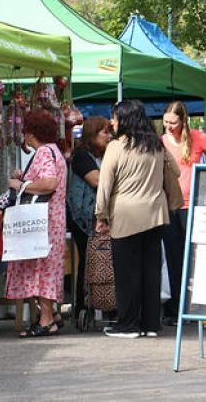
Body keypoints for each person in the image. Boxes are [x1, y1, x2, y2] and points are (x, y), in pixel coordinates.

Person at [95, 100, 175, 338]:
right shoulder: (156, 145)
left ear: (126, 120)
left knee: (127, 272)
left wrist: (101, 215)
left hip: (126, 215)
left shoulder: (116, 147)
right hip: (156, 214)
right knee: (151, 271)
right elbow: (176, 172)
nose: (112, 122)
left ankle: (128, 324)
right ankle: (151, 324)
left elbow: (105, 184)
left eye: (115, 118)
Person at [161, 101, 206, 322]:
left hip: (193, 205)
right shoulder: (160, 141)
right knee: (174, 258)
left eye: (173, 122)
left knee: (195, 258)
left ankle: (197, 306)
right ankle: (175, 310)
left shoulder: (198, 137)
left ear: (183, 121)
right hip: (170, 205)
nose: (169, 126)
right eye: (165, 122)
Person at [6, 109, 68, 338]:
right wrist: (26, 179)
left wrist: (19, 185)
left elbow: (49, 182)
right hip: (54, 218)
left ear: (31, 133)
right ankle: (52, 314)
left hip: (44, 220)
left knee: (41, 267)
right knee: (47, 266)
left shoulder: (43, 152)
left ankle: (46, 320)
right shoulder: (54, 151)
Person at [66, 115, 111, 318]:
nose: (108, 136)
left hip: (98, 215)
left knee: (97, 258)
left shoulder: (102, 155)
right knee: (88, 258)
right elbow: (96, 180)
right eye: (104, 132)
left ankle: (102, 303)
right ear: (92, 134)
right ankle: (84, 306)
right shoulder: (82, 156)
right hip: (83, 217)